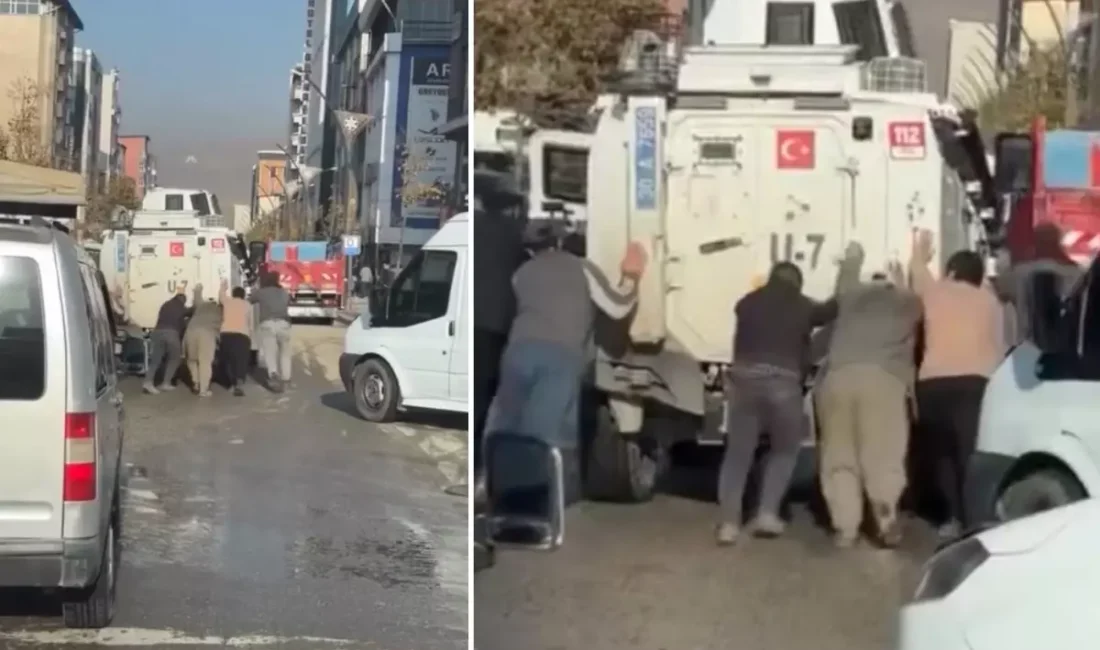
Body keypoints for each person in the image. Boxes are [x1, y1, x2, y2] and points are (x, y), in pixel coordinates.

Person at [487, 232, 648, 497]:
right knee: (545, 432)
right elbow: (618, 307)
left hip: (517, 352)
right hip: (559, 355)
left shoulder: (523, 271)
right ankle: (535, 503)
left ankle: (495, 491)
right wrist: (631, 275)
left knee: (507, 424)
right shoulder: (582, 268)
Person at [715, 258, 846, 545]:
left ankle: (728, 524)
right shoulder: (802, 305)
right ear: (796, 283)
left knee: (738, 455)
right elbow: (830, 310)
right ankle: (766, 512)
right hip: (784, 385)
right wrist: (847, 272)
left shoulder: (746, 303)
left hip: (744, 381)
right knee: (785, 450)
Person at [816, 243, 922, 548]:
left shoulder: (850, 297)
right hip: (883, 380)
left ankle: (845, 528)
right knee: (882, 452)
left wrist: (853, 257)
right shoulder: (907, 302)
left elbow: (844, 280)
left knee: (840, 456)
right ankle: (885, 515)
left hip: (837, 378)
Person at [909, 230, 1005, 537]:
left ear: (951, 272)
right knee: (968, 453)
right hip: (976, 384)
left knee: (942, 454)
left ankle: (950, 519)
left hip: (934, 385)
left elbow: (916, 275)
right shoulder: (990, 302)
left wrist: (920, 253)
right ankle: (975, 519)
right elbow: (999, 346)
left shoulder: (935, 293)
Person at [473, 206, 527, 480]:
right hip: (498, 327)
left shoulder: (476, 228)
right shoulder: (511, 234)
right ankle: (487, 469)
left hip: (478, 324)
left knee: (481, 399)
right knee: (493, 398)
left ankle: (480, 468)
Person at [994, 222, 1082, 345]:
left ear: (1035, 242)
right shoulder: (1077, 273)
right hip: (1066, 345)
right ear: (1058, 241)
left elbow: (999, 293)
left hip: (1024, 345)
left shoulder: (1018, 271)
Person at [143, 285, 192, 394]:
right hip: (171, 333)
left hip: (157, 332)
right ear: (183, 300)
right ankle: (165, 383)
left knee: (156, 359)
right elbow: (185, 318)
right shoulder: (180, 306)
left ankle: (148, 382)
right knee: (175, 358)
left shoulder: (166, 304)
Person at [250, 270, 293, 390]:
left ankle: (273, 374)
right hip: (284, 323)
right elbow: (287, 303)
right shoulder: (284, 292)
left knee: (270, 352)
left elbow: (251, 299)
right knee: (285, 353)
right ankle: (286, 378)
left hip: (267, 324)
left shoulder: (261, 292)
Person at [183, 284, 222, 397]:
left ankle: (196, 381)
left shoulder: (200, 306)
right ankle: (203, 390)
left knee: (191, 359)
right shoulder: (219, 310)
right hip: (207, 333)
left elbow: (197, 298)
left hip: (190, 331)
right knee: (205, 361)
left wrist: (198, 289)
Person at [219, 279, 253, 396]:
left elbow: (221, 295)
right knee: (241, 360)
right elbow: (250, 323)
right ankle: (239, 383)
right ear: (243, 295)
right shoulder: (247, 305)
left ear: (233, 294)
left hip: (226, 334)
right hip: (242, 335)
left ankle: (231, 384)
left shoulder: (227, 302)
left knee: (229, 360)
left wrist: (224, 286)